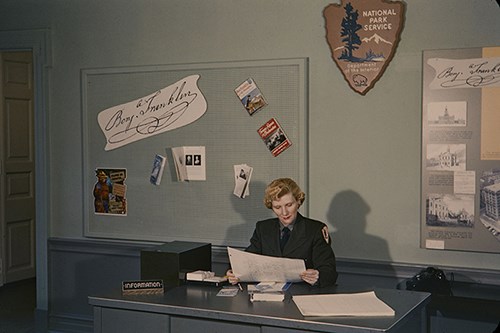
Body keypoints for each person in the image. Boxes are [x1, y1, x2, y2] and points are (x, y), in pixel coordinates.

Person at [227, 178, 338, 287]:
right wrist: (233, 272)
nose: (284, 212)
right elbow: (247, 259)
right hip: (267, 295)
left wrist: (317, 276)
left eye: (289, 205)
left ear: (298, 201)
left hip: (302, 295)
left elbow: (330, 273)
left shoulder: (315, 229)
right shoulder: (263, 228)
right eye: (277, 207)